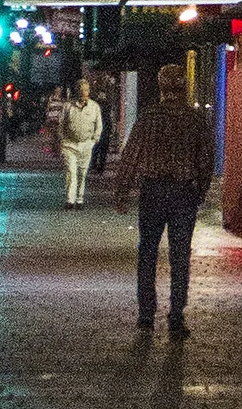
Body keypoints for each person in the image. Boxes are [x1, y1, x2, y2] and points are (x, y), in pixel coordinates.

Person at [109, 59, 214, 334]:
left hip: (153, 191)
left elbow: (131, 155)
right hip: (183, 193)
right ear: (184, 86)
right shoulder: (195, 119)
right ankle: (176, 315)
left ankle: (146, 314)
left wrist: (122, 191)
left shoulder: (149, 117)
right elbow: (206, 158)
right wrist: (200, 189)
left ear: (161, 86)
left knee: (147, 252)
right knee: (180, 255)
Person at [57, 72, 104, 207]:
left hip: (86, 144)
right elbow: (61, 124)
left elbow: (98, 125)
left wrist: (94, 140)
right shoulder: (68, 106)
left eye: (86, 89)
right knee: (71, 171)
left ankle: (80, 198)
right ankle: (70, 200)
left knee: (83, 172)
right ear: (76, 91)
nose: (84, 92)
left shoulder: (94, 107)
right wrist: (62, 140)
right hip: (70, 144)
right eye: (81, 90)